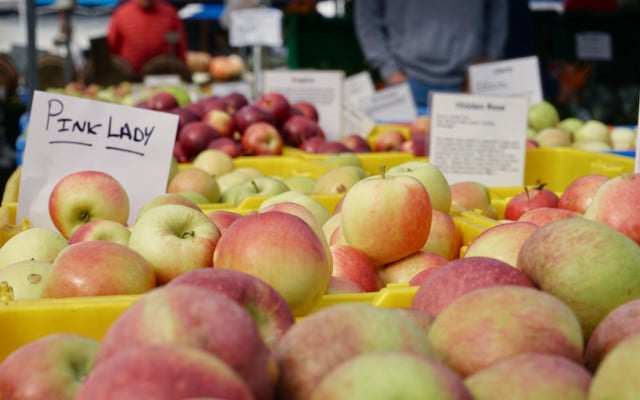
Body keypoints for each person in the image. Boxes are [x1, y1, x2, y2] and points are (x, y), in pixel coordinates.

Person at [353, 0, 509, 108]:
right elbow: (367, 18)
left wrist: (487, 64)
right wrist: (389, 70)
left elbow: (498, 15)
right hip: (406, 82)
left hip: (470, 82)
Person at [106, 0, 188, 76]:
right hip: (130, 78)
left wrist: (182, 73)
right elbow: (111, 49)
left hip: (161, 78)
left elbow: (179, 47)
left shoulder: (170, 14)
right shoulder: (121, 14)